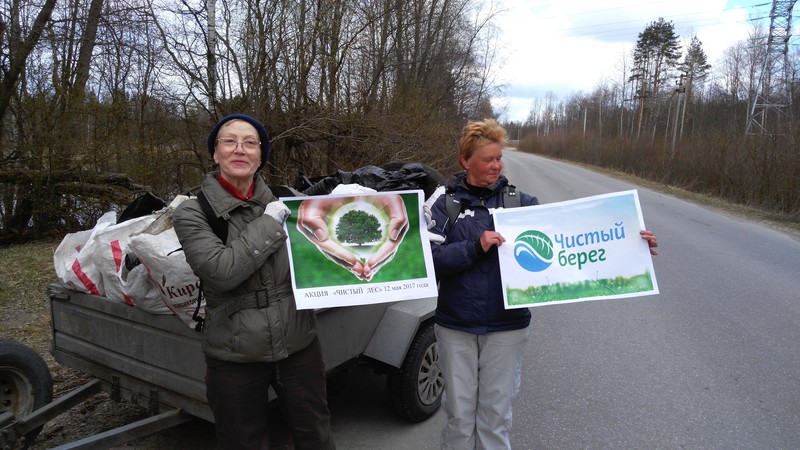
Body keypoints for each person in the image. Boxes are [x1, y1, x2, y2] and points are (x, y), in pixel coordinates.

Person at [427, 119, 658, 449]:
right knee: (459, 418)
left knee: (495, 418)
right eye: (487, 159)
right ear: (465, 161)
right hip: (455, 326)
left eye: (499, 158)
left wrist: (631, 246)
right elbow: (430, 262)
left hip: (507, 328)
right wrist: (475, 247)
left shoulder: (520, 204)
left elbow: (570, 245)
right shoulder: (443, 203)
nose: (496, 165)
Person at [173, 114, 334, 450]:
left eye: (250, 143)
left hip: (298, 345)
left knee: (315, 435)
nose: (240, 149)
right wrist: (270, 222)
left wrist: (409, 234)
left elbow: (327, 249)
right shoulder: (193, 212)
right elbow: (222, 271)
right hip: (234, 356)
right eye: (229, 141)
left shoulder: (286, 198)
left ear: (261, 155)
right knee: (242, 442)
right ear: (214, 154)